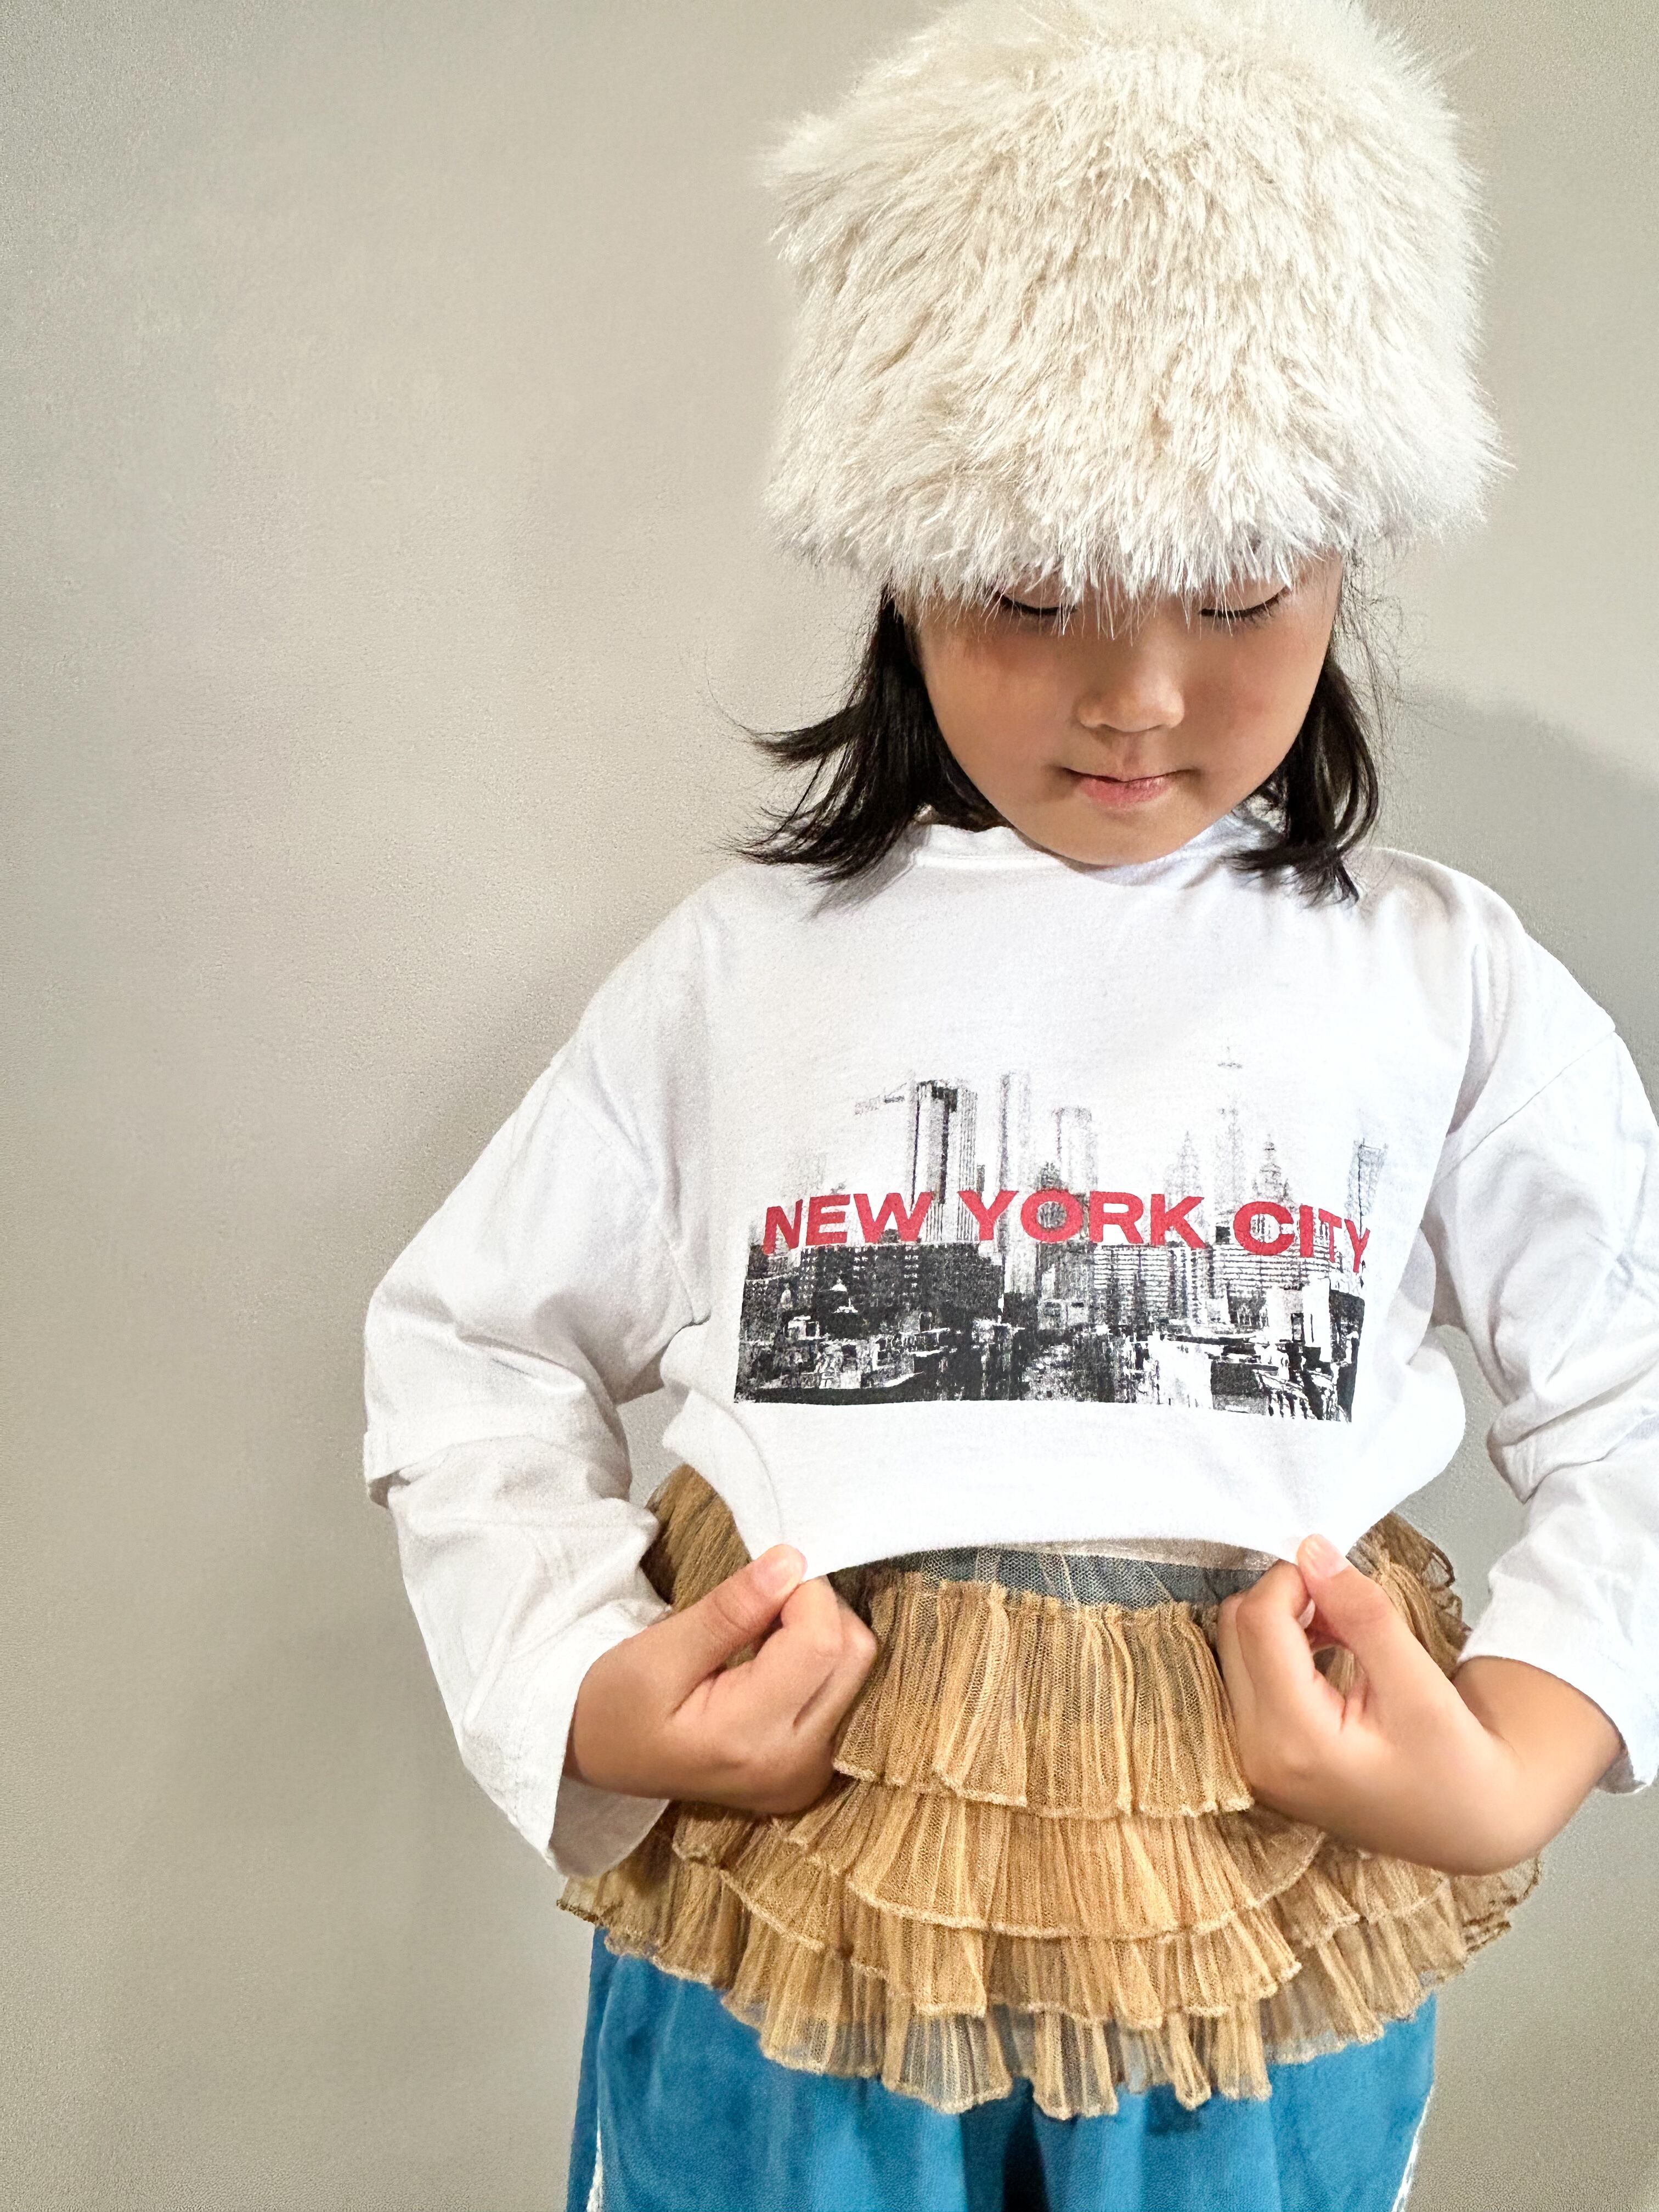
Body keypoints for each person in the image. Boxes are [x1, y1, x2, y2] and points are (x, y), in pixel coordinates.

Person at [359, 2, 1659, 2206]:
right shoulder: (747, 969)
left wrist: (1529, 1747)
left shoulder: (1442, 979)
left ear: (1348, 555)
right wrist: (576, 1682)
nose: (1138, 697)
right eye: (1031, 596)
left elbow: (1634, 1383)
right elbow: (473, 1337)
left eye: (1240, 594)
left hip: (1258, 1901)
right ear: (901, 556)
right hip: (810, 1897)